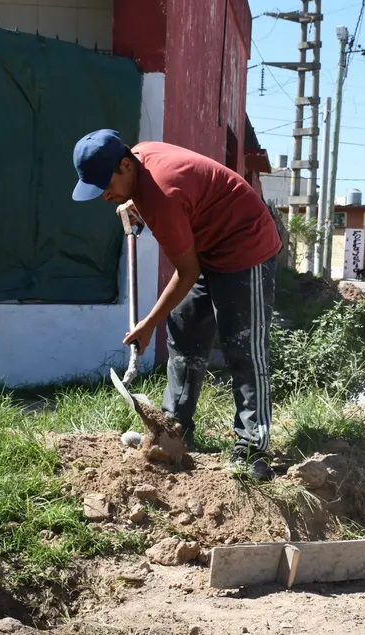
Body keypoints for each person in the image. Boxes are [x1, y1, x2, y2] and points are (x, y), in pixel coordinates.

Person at [72, 130, 281, 481]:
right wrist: (133, 204)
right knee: (185, 327)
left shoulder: (162, 196)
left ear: (125, 164)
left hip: (247, 248)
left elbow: (186, 273)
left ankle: (252, 447)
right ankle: (174, 429)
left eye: (105, 186)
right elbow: (179, 193)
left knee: (243, 347)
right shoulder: (138, 159)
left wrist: (149, 323)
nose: (104, 196)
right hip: (210, 246)